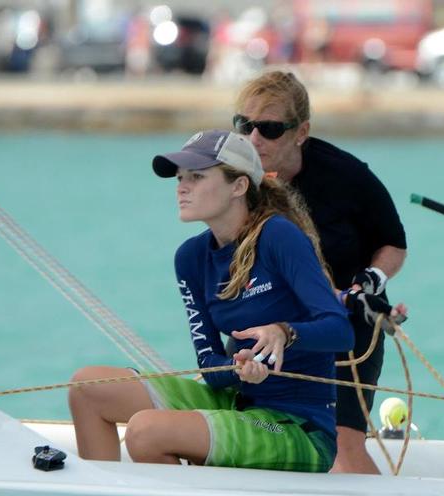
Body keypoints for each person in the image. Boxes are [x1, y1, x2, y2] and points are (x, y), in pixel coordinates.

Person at [68, 130, 400, 471]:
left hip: (298, 427)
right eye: (181, 178)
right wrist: (238, 371)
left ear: (239, 186)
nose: (182, 187)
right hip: (236, 402)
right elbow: (211, 368)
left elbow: (339, 331)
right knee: (87, 387)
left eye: (197, 177)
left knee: (144, 432)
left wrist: (284, 332)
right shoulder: (190, 258)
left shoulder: (279, 236)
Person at [233, 70, 407, 475]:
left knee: (343, 445)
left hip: (345, 323)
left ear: (301, 131)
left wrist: (371, 281)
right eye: (244, 126)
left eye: (271, 129)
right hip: (267, 324)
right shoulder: (236, 178)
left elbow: (394, 244)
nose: (254, 139)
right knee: (257, 432)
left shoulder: (348, 176)